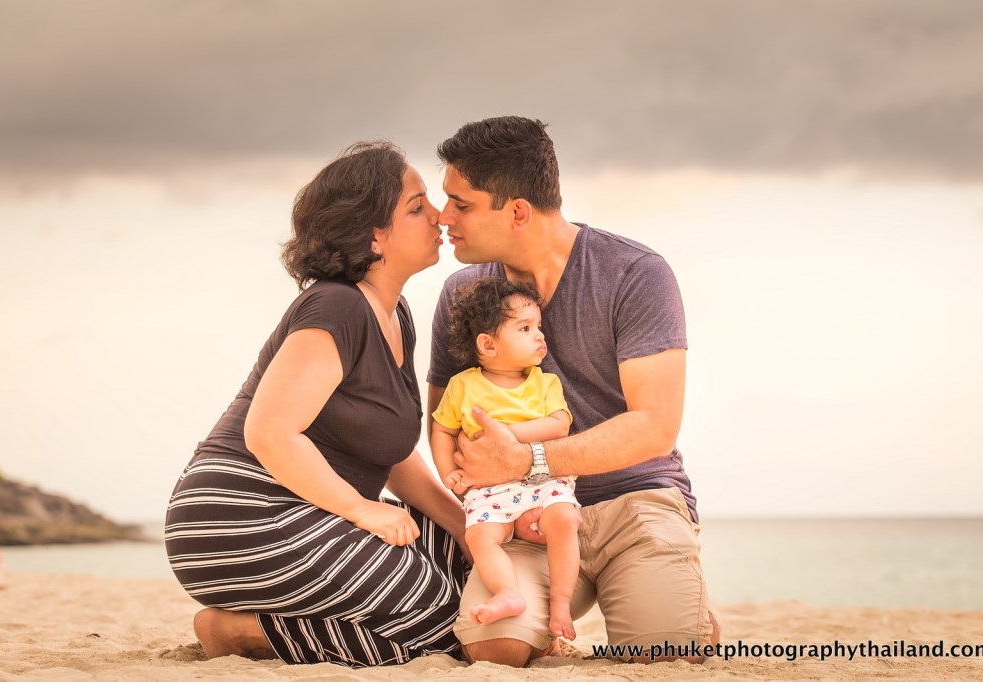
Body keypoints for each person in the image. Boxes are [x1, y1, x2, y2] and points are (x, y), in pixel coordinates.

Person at [427, 116, 719, 666]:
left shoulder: (635, 272)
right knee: (496, 649)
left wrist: (526, 459)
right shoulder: (463, 294)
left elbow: (656, 427)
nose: (445, 219)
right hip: (522, 514)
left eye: (460, 204)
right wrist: (486, 494)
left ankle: (679, 599)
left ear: (516, 211)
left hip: (635, 500)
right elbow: (446, 418)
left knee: (664, 653)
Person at [165, 142, 470, 667]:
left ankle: (273, 630)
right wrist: (359, 509)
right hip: (240, 515)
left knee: (471, 580)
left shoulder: (395, 313)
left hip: (310, 512)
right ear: (374, 235)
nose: (439, 216)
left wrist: (460, 522)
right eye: (417, 207)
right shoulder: (337, 305)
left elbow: (390, 451)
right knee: (445, 621)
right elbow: (270, 433)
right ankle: (238, 632)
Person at [429, 277, 580, 641]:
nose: (540, 336)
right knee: (481, 536)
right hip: (490, 489)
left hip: (542, 480)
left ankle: (561, 603)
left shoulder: (545, 384)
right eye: (525, 328)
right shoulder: (463, 386)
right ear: (487, 343)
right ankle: (508, 593)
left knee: (563, 519)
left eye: (538, 327)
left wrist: (507, 438)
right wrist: (449, 472)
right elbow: (442, 430)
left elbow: (560, 424)